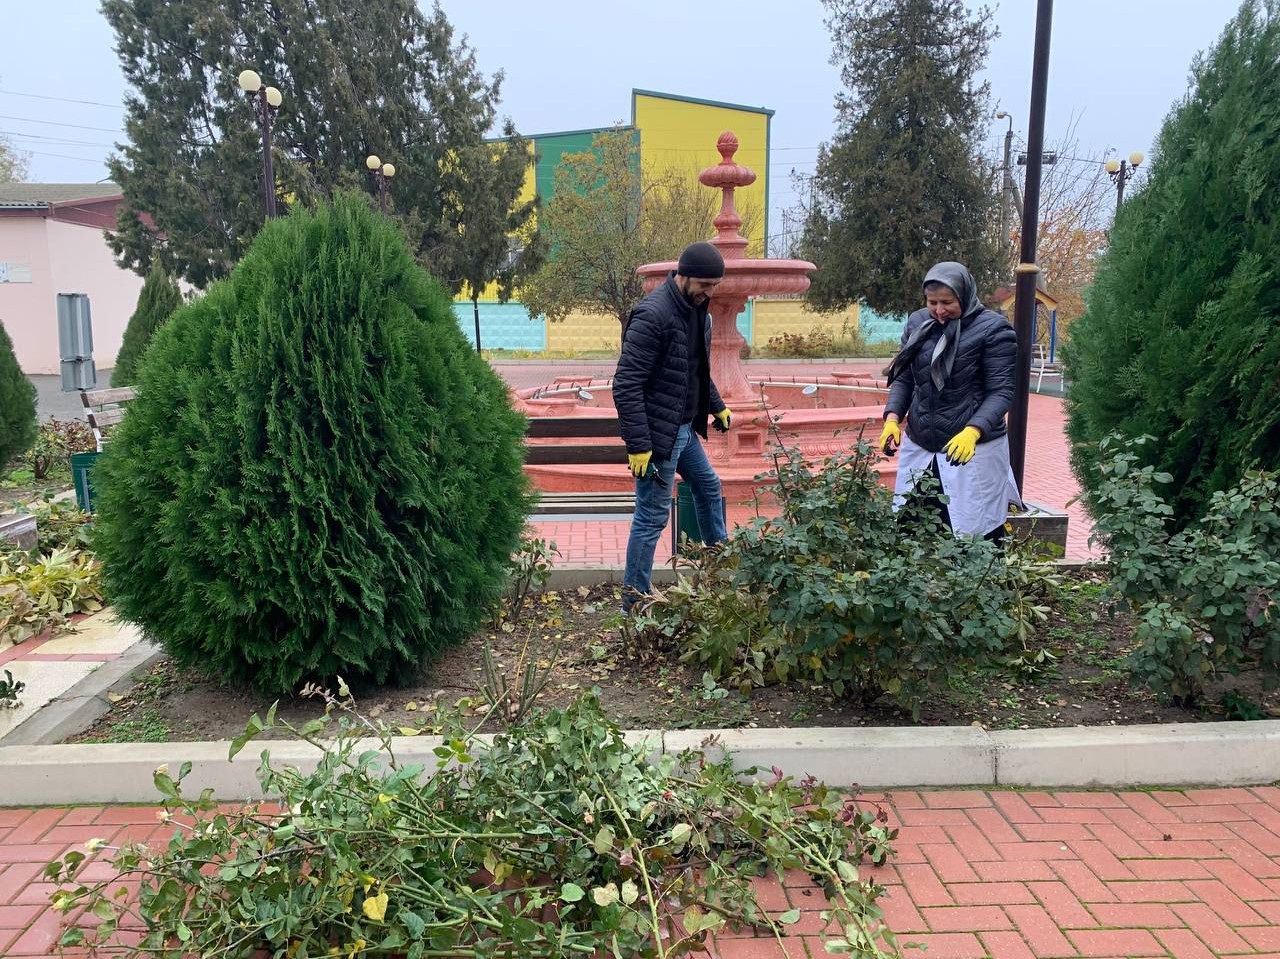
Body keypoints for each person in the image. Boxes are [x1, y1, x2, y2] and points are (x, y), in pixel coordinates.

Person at [614, 241, 733, 611]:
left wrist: (717, 406)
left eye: (714, 286)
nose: (709, 292)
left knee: (709, 487)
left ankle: (719, 573)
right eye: (705, 285)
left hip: (682, 431)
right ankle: (633, 604)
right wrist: (639, 445)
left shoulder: (698, 313)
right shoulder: (653, 316)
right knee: (651, 518)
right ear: (684, 276)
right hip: (658, 439)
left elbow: (693, 370)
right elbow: (626, 384)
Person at [878, 261, 1022, 545]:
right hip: (922, 446)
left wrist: (973, 431)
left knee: (976, 535)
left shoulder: (994, 330)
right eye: (932, 302)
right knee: (911, 529)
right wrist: (892, 417)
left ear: (964, 296)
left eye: (947, 302)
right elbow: (906, 378)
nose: (939, 310)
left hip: (971, 452)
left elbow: (1001, 391)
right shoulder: (918, 323)